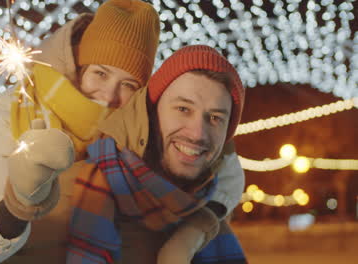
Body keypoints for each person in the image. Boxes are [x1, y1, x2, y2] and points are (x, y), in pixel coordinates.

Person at [0, 2, 244, 264]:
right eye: (100, 73)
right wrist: (17, 202)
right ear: (78, 66)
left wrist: (192, 233)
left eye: (128, 85)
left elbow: (224, 167)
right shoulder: (9, 115)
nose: (109, 96)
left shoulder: (135, 130)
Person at [70, 45, 247, 263]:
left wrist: (194, 233)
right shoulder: (69, 192)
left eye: (215, 118)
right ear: (151, 112)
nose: (197, 134)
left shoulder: (212, 223)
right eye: (183, 109)